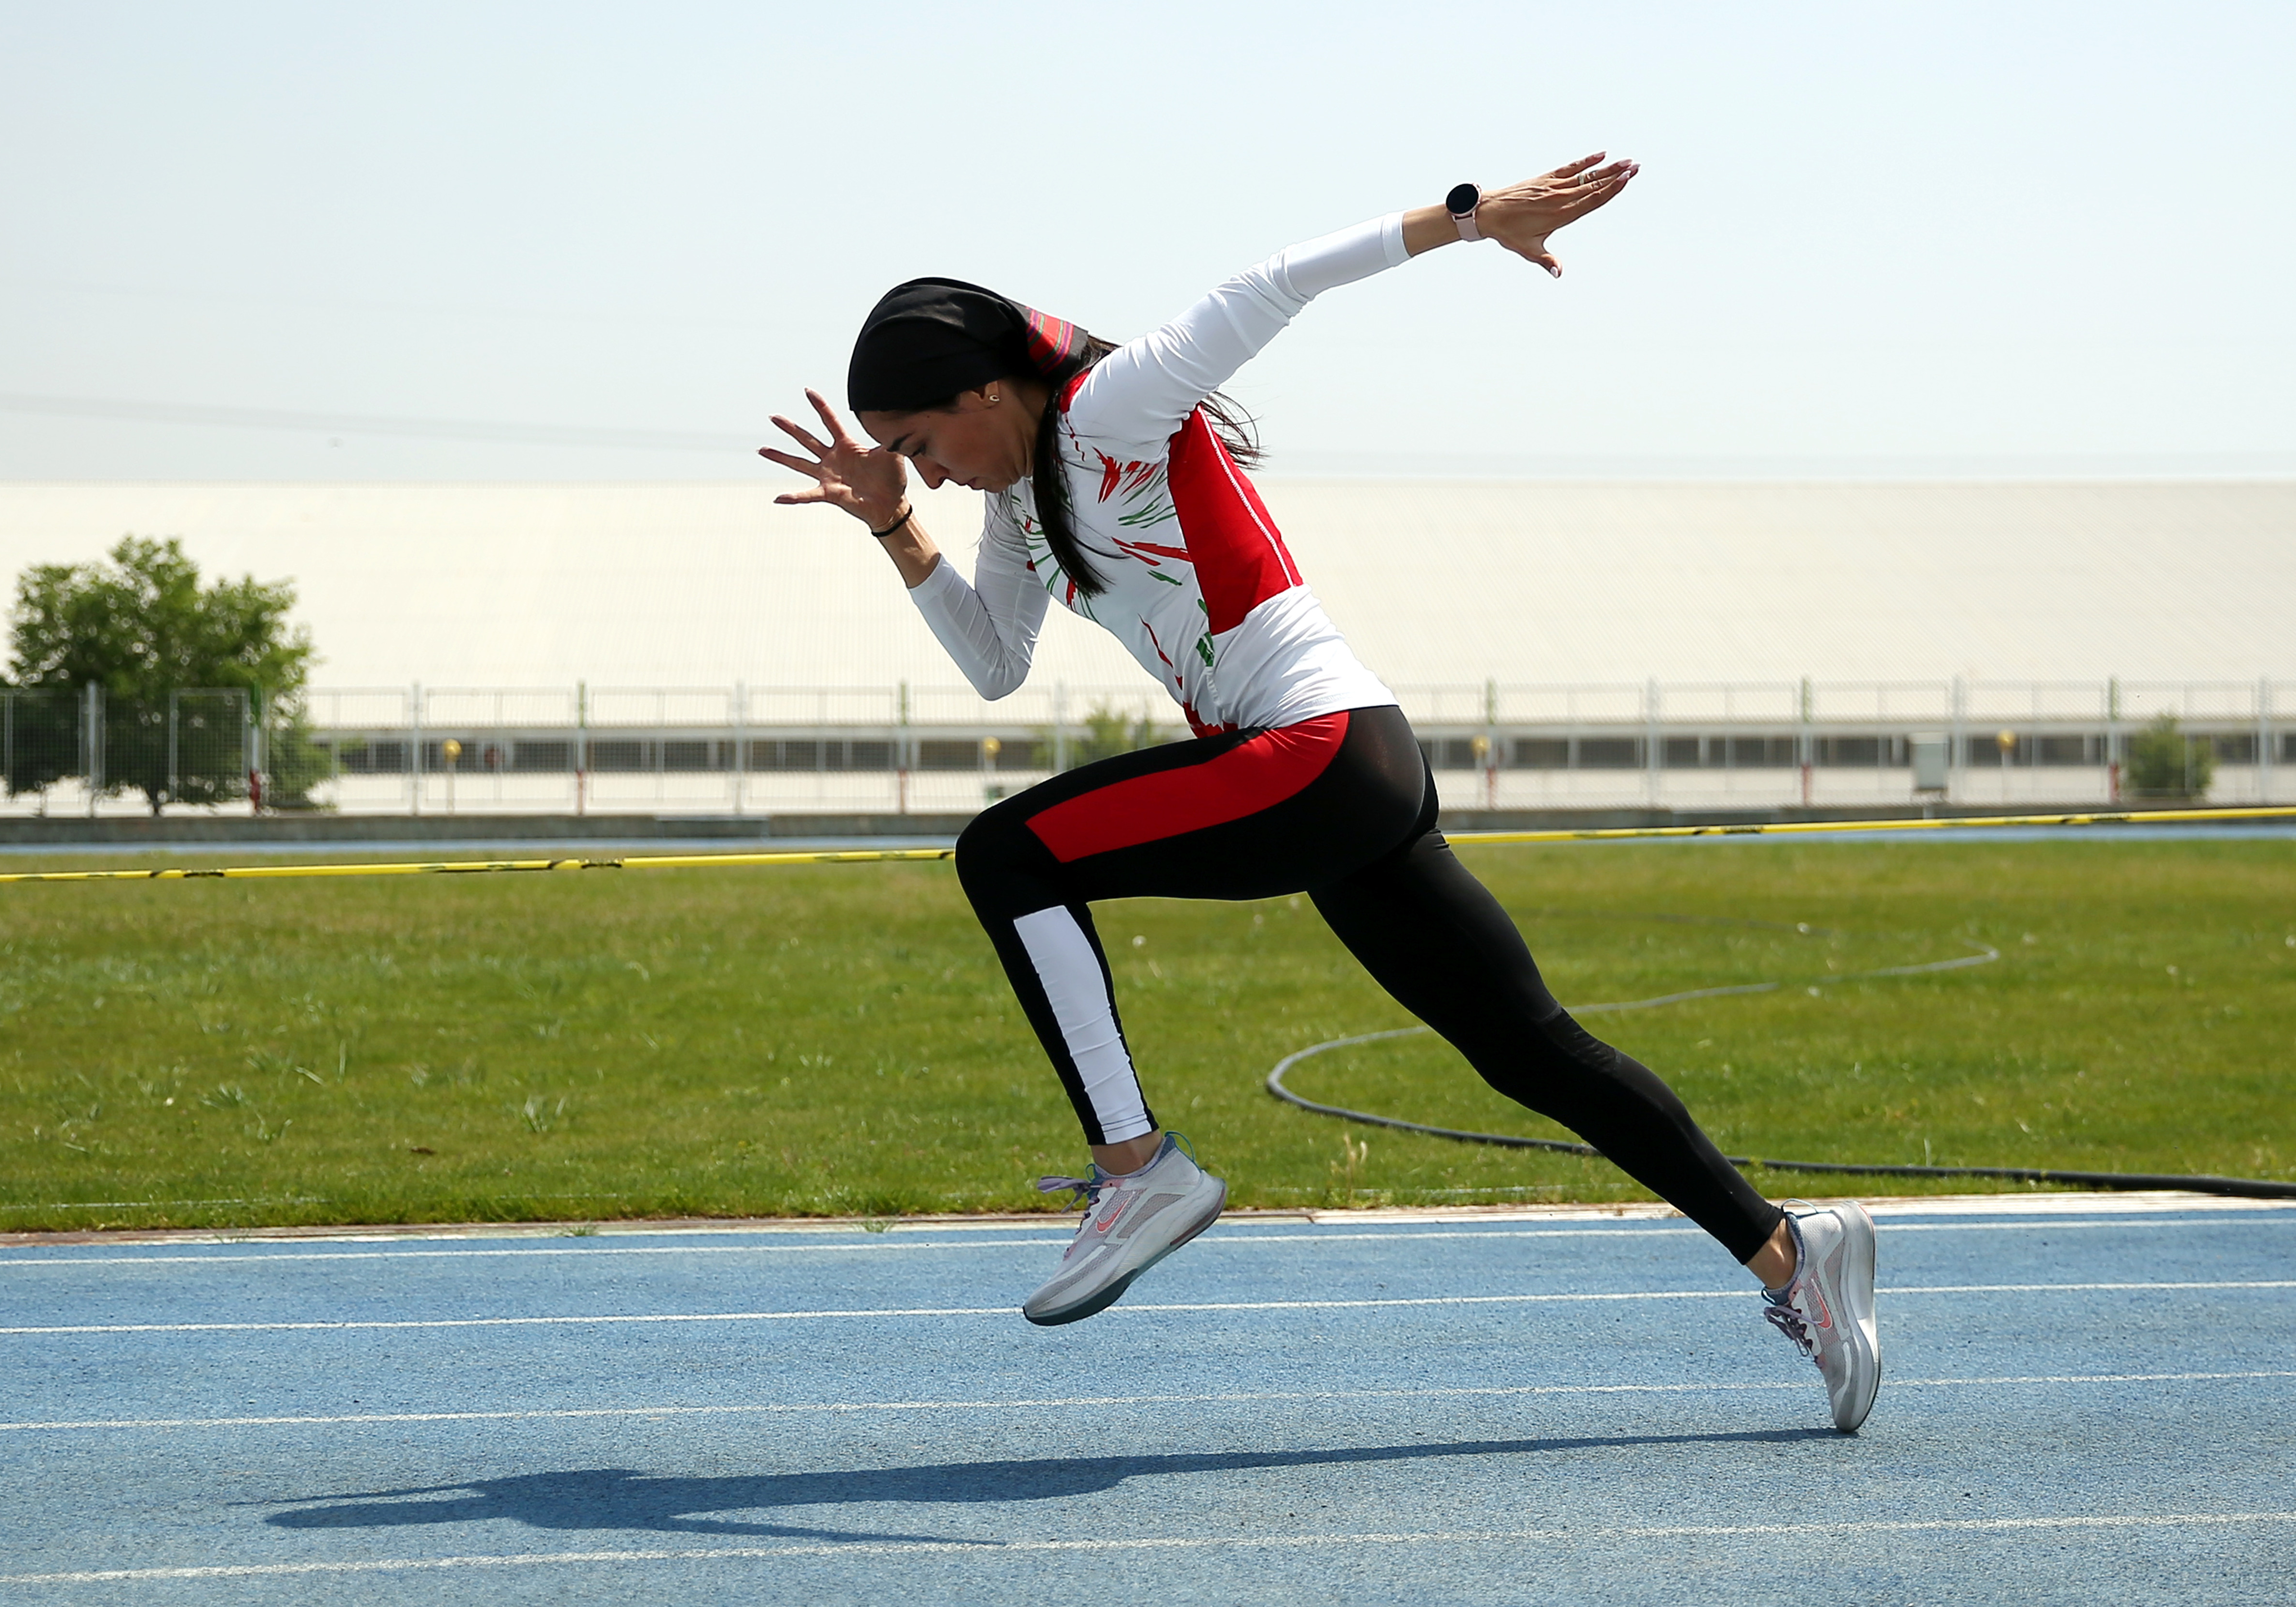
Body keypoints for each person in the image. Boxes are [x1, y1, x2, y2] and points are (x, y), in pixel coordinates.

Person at [762, 154, 1881, 1432]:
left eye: (920, 444)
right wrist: (892, 525)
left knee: (1006, 855)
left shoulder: (1112, 408)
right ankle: (1799, 1262)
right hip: (1345, 768)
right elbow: (995, 665)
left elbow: (1271, 282)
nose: (930, 469)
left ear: (982, 389)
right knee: (1529, 1047)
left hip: (1318, 749)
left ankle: (1138, 1169)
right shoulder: (1019, 512)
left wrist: (1469, 223)